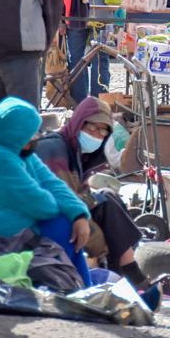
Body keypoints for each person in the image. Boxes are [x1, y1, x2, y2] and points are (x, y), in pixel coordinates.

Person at [0, 97, 93, 287]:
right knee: (61, 225)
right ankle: (76, 285)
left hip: (10, 233)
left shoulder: (19, 153)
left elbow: (53, 184)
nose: (35, 138)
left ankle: (81, 284)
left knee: (69, 221)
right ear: (15, 134)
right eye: (31, 134)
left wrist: (79, 214)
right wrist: (64, 208)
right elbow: (44, 206)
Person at [33, 97, 152, 287]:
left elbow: (79, 195)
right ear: (79, 122)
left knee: (108, 198)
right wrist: (100, 247)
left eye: (103, 130)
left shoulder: (76, 154)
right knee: (106, 204)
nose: (97, 134)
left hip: (61, 212)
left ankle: (123, 275)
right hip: (43, 221)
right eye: (92, 127)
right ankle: (131, 275)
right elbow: (64, 201)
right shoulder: (54, 148)